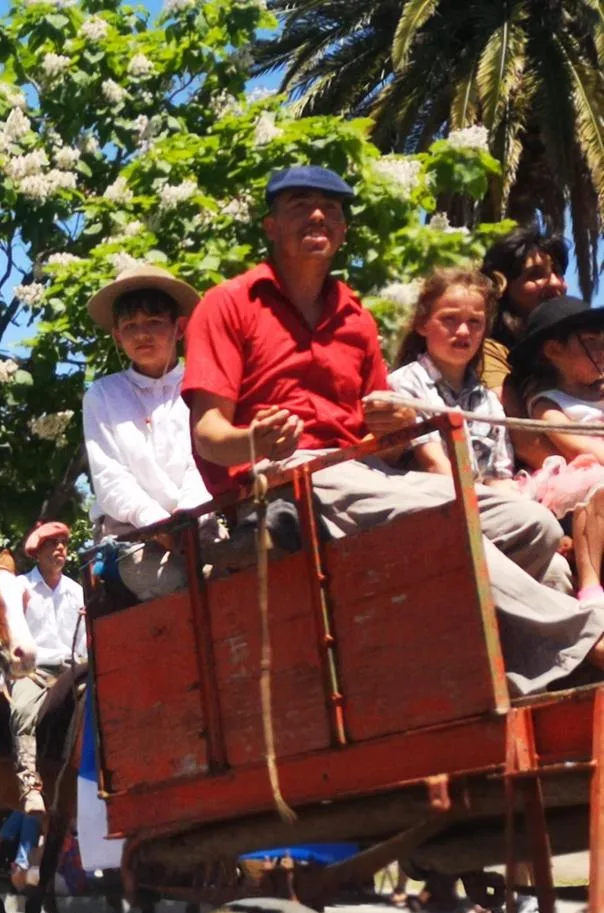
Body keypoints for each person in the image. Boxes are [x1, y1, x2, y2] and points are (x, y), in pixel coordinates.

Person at [184, 164, 604, 697]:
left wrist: (398, 426)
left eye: (331, 209)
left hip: (363, 470)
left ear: (341, 231)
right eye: (299, 206)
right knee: (448, 517)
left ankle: (529, 681)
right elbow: (207, 433)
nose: (318, 215)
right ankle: (586, 644)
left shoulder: (354, 316)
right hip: (280, 480)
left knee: (534, 524)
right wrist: (255, 440)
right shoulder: (227, 303)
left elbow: (381, 429)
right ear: (270, 226)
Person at [82, 263, 212, 599]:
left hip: (201, 518)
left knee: (232, 573)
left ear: (179, 328)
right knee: (174, 585)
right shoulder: (102, 395)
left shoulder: (203, 385)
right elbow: (110, 480)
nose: (142, 335)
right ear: (117, 335)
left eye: (154, 323)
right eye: (130, 326)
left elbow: (205, 459)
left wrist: (187, 514)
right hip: (130, 534)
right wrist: (157, 523)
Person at [388, 268, 515, 487]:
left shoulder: (489, 402)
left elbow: (499, 477)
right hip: (431, 503)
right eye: (449, 319)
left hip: (482, 503)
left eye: (475, 321)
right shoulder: (405, 385)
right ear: (422, 324)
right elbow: (434, 466)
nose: (464, 331)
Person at [519, 299, 604, 603]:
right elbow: (572, 441)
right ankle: (591, 582)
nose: (602, 351)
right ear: (553, 351)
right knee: (596, 484)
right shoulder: (548, 400)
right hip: (582, 475)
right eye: (591, 343)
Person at [10, 521, 86, 815]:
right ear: (37, 552)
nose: (60, 549)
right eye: (52, 544)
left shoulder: (77, 591)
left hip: (73, 667)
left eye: (63, 544)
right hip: (33, 669)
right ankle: (29, 784)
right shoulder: (21, 587)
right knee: (23, 710)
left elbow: (84, 640)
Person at [481, 226, 571, 469]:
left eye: (558, 272)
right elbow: (525, 440)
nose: (554, 284)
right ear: (503, 287)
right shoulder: (490, 352)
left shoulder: (587, 349)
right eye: (535, 275)